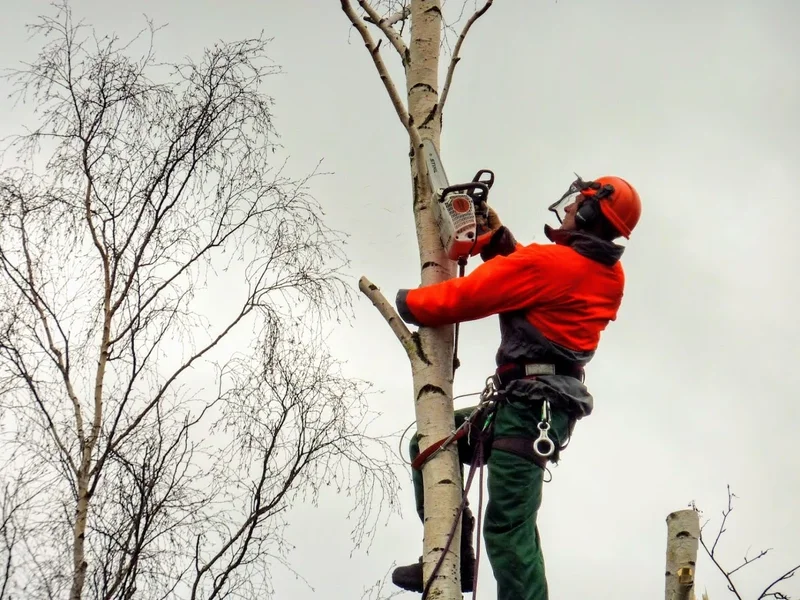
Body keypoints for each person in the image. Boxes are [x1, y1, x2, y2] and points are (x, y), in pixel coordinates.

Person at [390, 175, 642, 600]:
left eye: (575, 203)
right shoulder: (607, 274)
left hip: (529, 409)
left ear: (587, 212)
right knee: (430, 443)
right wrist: (497, 241)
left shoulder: (550, 265)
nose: (566, 208)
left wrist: (407, 302)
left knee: (509, 527)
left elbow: (470, 295)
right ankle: (454, 559)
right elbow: (533, 278)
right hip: (533, 405)